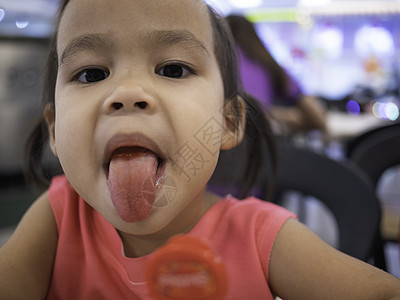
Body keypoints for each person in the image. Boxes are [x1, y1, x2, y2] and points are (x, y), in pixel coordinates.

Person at [0, 0, 399, 299]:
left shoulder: (262, 239)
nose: (126, 94)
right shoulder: (60, 216)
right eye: (91, 74)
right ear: (54, 129)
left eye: (173, 69)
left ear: (228, 122)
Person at [226, 14, 327, 134]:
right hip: (260, 138)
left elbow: (250, 114)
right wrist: (291, 117)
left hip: (232, 135)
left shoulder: (221, 62)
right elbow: (318, 120)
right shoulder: (267, 62)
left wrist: (272, 114)